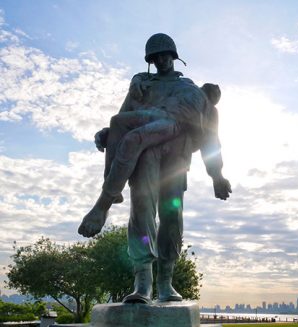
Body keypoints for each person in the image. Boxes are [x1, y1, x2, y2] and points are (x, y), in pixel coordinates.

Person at [78, 33, 231, 303]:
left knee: (172, 218)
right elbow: (125, 116)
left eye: (166, 55)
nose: (162, 60)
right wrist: (107, 133)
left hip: (176, 159)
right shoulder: (142, 85)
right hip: (144, 157)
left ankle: (165, 283)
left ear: (174, 56)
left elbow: (210, 138)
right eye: (156, 57)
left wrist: (216, 175)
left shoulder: (191, 89)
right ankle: (143, 282)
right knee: (141, 212)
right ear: (151, 60)